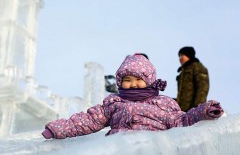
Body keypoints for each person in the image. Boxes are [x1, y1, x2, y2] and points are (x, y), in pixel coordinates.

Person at [42, 54, 223, 139]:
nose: (133, 83)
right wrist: (57, 129)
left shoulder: (163, 104)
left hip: (152, 147)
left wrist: (204, 111)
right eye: (127, 80)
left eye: (139, 79)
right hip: (119, 147)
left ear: (150, 81)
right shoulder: (114, 103)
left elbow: (182, 121)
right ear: (120, 82)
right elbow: (88, 120)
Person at [176, 46, 209, 112]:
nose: (180, 58)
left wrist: (198, 107)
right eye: (179, 56)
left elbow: (202, 87)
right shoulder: (182, 72)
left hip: (193, 109)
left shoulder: (197, 67)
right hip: (182, 110)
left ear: (189, 55)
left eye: (182, 55)